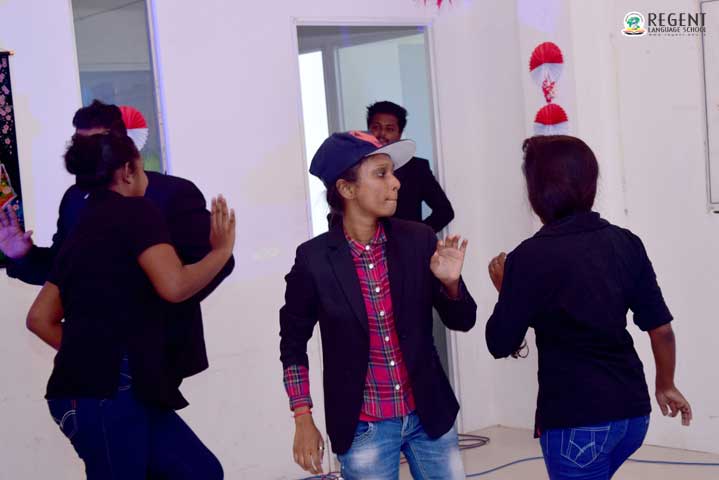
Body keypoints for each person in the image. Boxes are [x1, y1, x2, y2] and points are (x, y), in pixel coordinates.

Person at [26, 132, 235, 479]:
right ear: (127, 171)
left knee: (201, 472)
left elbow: (39, 318)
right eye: (142, 167)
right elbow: (175, 286)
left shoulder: (84, 226)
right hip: (108, 393)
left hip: (98, 391)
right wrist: (221, 251)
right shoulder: (136, 211)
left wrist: (90, 352)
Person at [485, 135, 692, 480]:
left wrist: (507, 291)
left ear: (537, 191)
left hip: (577, 420)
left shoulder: (528, 258)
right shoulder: (626, 243)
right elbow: (661, 329)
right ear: (589, 184)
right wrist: (666, 384)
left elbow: (500, 342)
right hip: (632, 413)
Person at [279, 131, 477, 479]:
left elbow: (463, 320)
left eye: (393, 173)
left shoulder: (418, 239)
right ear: (347, 189)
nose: (395, 183)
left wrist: (451, 284)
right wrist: (302, 416)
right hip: (364, 427)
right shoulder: (314, 260)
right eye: (381, 174)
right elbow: (293, 344)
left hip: (429, 415)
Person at [0, 99, 234, 385]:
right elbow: (62, 274)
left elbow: (207, 267)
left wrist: (156, 308)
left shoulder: (171, 194)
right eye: (79, 145)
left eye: (94, 145)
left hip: (153, 350)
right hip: (105, 358)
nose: (86, 154)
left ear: (123, 151)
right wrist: (24, 257)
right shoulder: (77, 200)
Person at [367, 100, 454, 232]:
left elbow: (444, 212)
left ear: (400, 134)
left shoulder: (417, 168)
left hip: (404, 244)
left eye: (389, 129)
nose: (382, 134)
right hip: (363, 244)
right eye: (376, 127)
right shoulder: (355, 167)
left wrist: (417, 237)